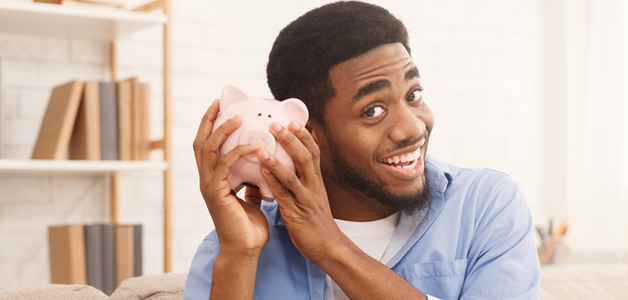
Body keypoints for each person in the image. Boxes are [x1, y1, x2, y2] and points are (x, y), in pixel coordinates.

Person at [184, 1, 540, 299]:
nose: (413, 128)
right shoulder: (234, 243)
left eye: (413, 94)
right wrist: (239, 257)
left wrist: (333, 248)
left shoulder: (485, 206)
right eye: (373, 110)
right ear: (306, 131)